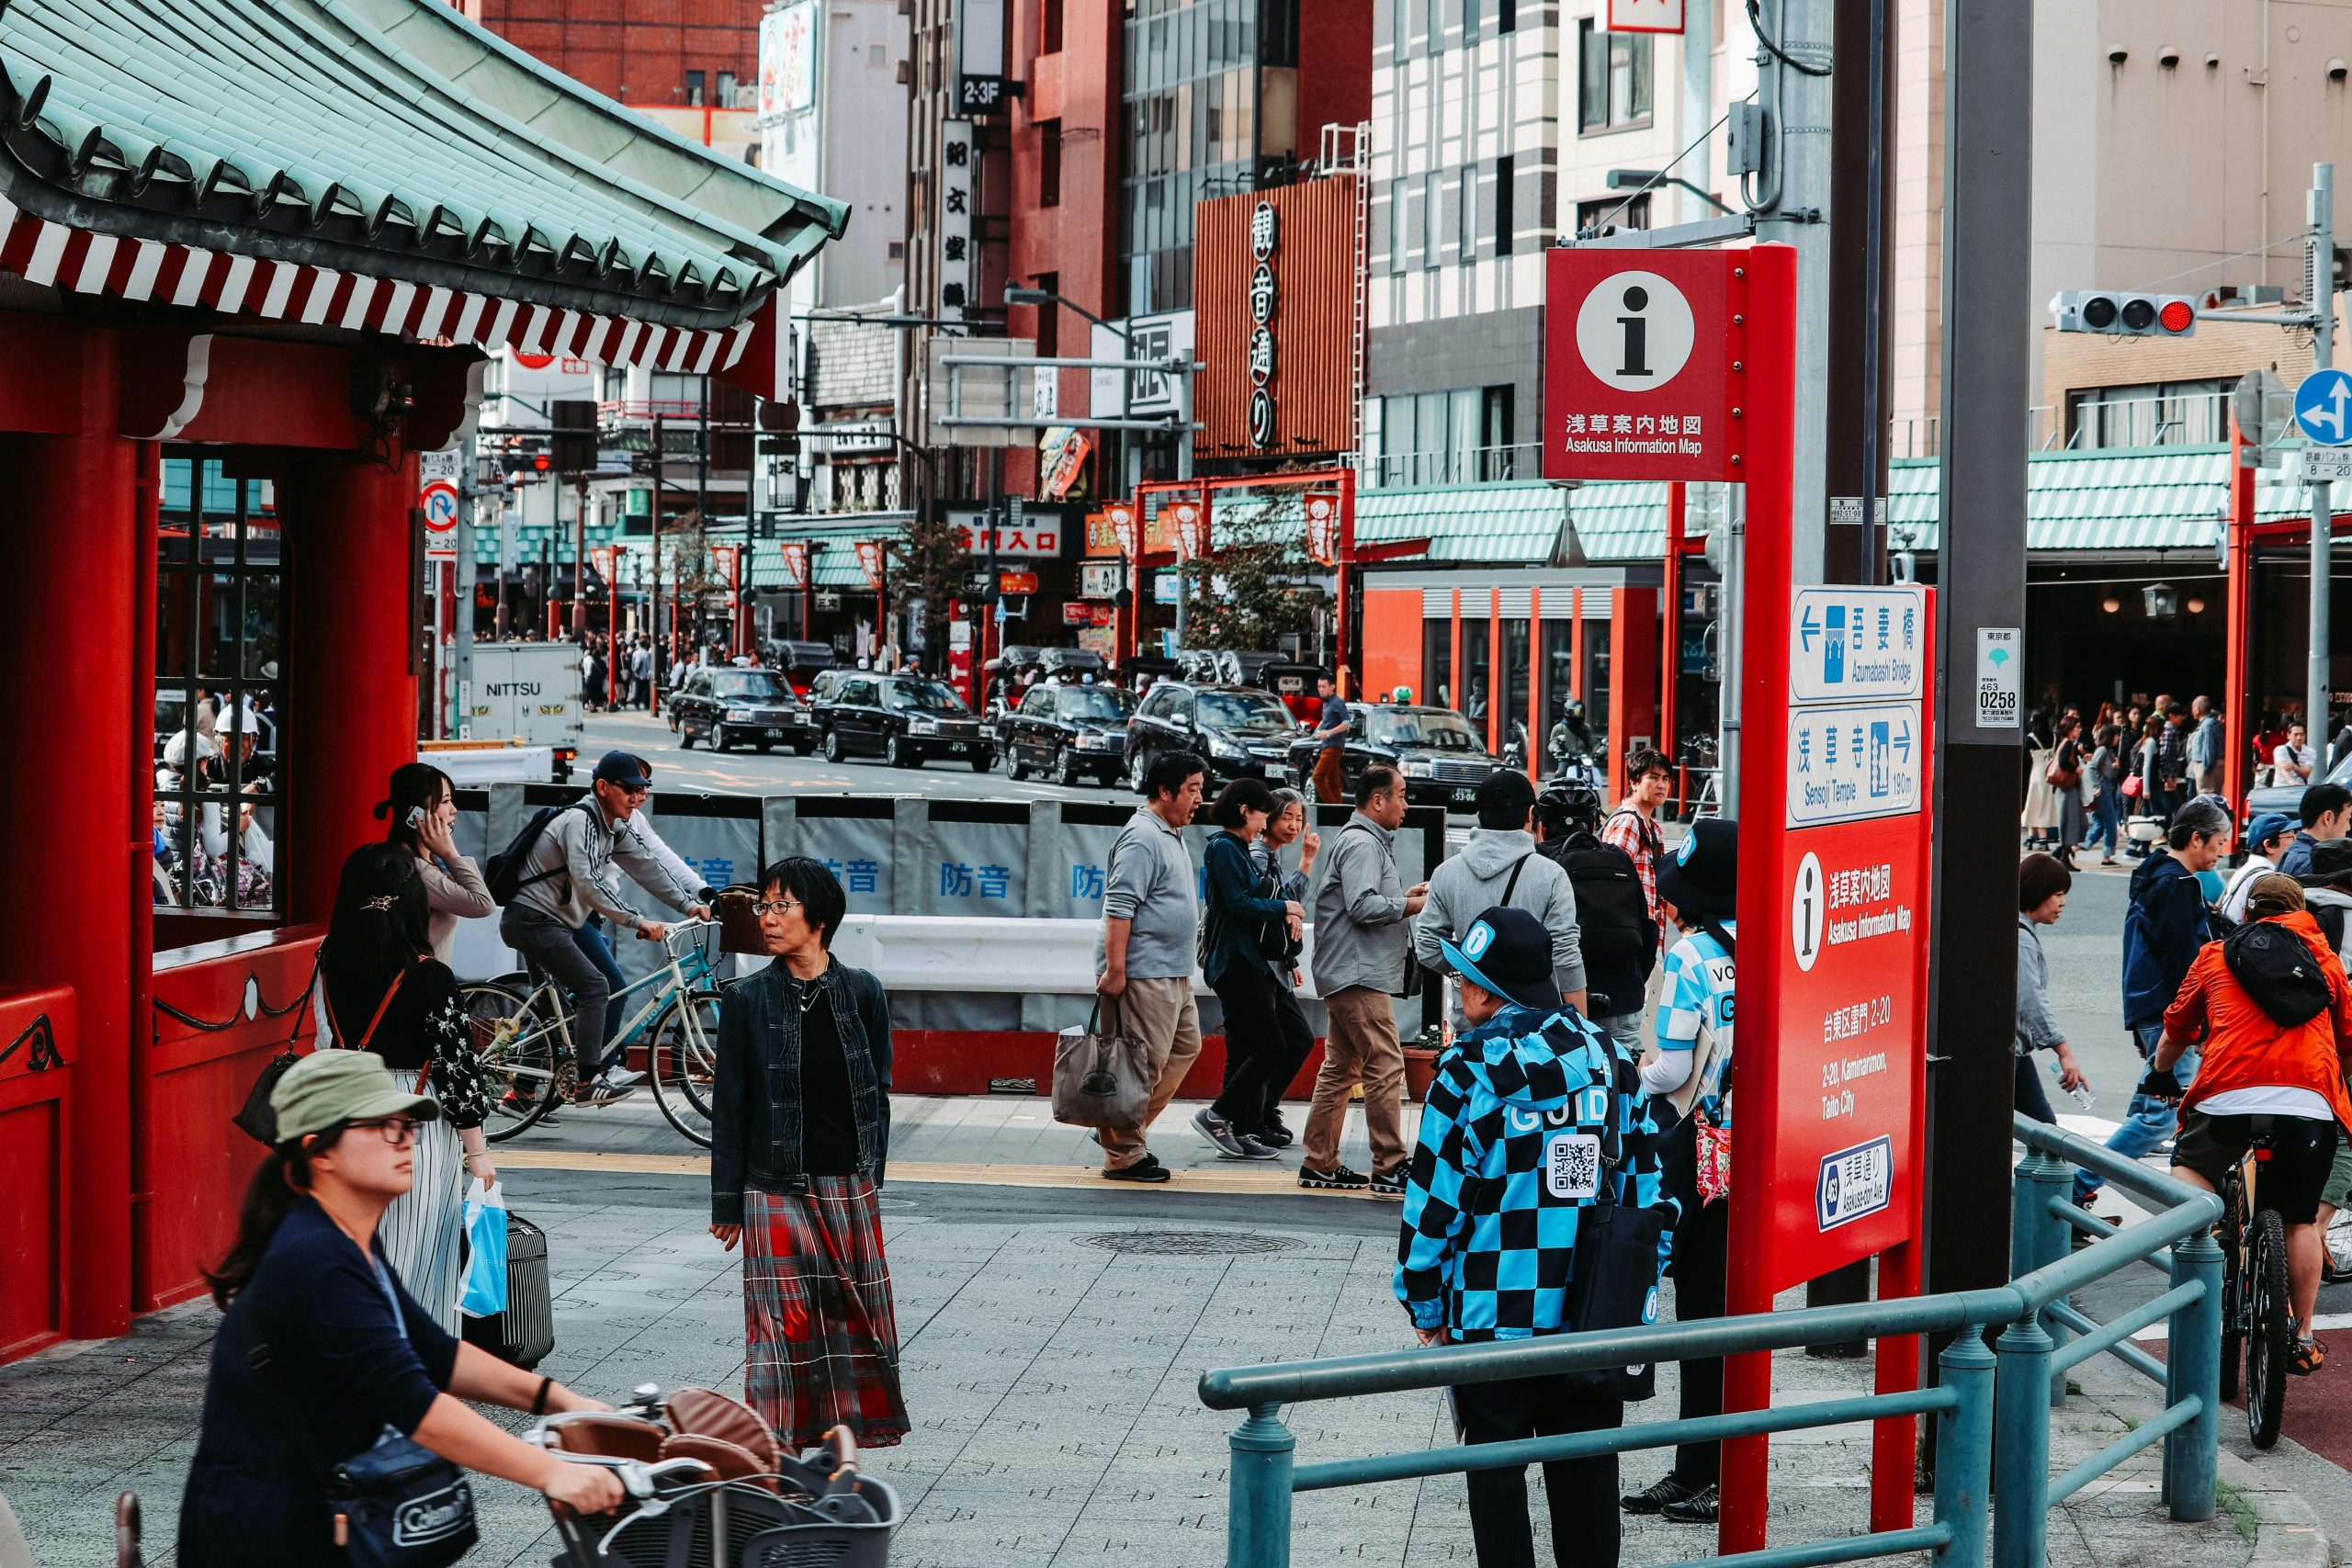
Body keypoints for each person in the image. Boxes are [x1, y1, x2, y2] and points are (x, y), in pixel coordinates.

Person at [176, 1050, 620, 1566]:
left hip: (321, 1517)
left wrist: (565, 1402)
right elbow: (415, 1404)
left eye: (406, 1125)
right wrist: (551, 1472)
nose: (404, 1138)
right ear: (318, 1151)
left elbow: (434, 1353)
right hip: (266, 1535)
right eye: (380, 1126)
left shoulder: (349, 1240)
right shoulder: (316, 1260)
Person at [1396, 906, 1672, 1568]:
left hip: (1494, 1319)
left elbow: (1434, 1205)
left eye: (1465, 981)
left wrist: (1426, 1303)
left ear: (1489, 991)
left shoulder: (1466, 1071)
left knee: (1497, 1485)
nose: (1460, 995)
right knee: (1587, 1488)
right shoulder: (1607, 1058)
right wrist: (1638, 1284)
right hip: (1591, 1319)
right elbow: (1649, 1188)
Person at [709, 857, 910, 1447]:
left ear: (818, 918)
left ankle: (836, 1442)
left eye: (780, 905)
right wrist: (727, 1202)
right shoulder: (746, 999)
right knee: (782, 1326)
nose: (767, 919)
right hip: (773, 1186)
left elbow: (879, 1088)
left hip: (848, 1186)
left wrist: (873, 1175)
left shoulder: (863, 993)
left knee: (852, 1319)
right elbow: (730, 1107)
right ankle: (778, 1445)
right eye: (762, 906)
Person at [2148, 874, 2350, 1373]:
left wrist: (2160, 1069)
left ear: (2247, 913)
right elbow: (2348, 1038)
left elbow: (2177, 1026)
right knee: (2299, 1219)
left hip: (2227, 1095)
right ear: (2300, 911)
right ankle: (2301, 1335)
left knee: (2191, 1168)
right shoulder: (2325, 960)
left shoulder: (2216, 955)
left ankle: (2210, 1236)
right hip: (2309, 1099)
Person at [316, 844, 495, 1332]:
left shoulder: (328, 959)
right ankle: (414, 1364)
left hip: (345, 1108)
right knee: (416, 1251)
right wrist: (476, 1152)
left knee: (355, 1242)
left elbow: (322, 1039)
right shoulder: (429, 975)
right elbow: (457, 1066)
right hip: (414, 1116)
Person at [1621, 819, 1738, 1526]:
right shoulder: (1763, 950)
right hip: (1742, 1152)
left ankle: (1704, 1471)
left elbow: (1666, 1069)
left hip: (1689, 1149)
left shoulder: (1692, 955)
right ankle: (1704, 1467)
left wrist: (1625, 1077)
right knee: (1719, 1313)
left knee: (1695, 1315)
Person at [496, 750, 710, 1107]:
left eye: (642, 789)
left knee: (557, 1012)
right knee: (598, 987)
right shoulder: (579, 821)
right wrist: (638, 921)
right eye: (628, 789)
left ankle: (524, 1093)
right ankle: (588, 1080)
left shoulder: (611, 827)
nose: (636, 798)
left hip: (558, 923)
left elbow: (648, 866)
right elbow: (589, 883)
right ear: (602, 786)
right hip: (533, 920)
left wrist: (690, 904)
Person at [2075, 798, 2233, 1210]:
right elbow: (2186, 964)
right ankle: (2075, 1187)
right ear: (2196, 838)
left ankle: (2078, 1190)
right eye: (2218, 842)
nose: (2221, 851)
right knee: (2157, 1118)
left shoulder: (2155, 876)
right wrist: (2199, 1023)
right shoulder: (2177, 885)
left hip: (2149, 1006)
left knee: (2149, 1110)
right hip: (2169, 1013)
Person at [1301, 764, 1429, 1194]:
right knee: (1386, 1063)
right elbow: (1362, 906)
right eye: (1402, 795)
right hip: (1357, 975)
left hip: (1347, 971)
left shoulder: (1363, 841)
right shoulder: (1362, 844)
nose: (1405, 804)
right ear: (1378, 800)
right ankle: (1390, 1164)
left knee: (1341, 1069)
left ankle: (1319, 1161)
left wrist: (1404, 898)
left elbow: (1368, 901)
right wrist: (1410, 907)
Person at [1094, 750, 1209, 1183]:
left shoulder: (1169, 832)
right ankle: (1122, 1152)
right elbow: (1119, 908)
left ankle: (1123, 1128)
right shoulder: (1142, 836)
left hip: (1173, 972)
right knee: (1140, 1065)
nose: (1200, 799)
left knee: (1183, 1049)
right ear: (1165, 791)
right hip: (1144, 973)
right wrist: (1116, 971)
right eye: (1193, 790)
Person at [1416, 770, 1589, 1033]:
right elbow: (1565, 954)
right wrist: (1581, 1024)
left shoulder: (1446, 873)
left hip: (1471, 1019)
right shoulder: (1551, 875)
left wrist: (1472, 973)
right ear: (1531, 814)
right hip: (1534, 1022)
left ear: (1479, 814)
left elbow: (1427, 946)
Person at [1191, 778, 1306, 1161]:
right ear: (1244, 811)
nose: (1264, 823)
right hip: (1234, 960)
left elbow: (1257, 893)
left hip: (1244, 959)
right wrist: (1284, 908)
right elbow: (1239, 903)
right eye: (1263, 815)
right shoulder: (1224, 847)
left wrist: (1281, 904)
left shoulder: (1237, 848)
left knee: (1242, 1049)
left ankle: (1236, 1129)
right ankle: (1219, 1116)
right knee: (1271, 1045)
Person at [1245, 789, 1321, 1147]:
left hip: (1276, 967)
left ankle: (1264, 1110)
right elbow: (1271, 906)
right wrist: (1287, 909)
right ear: (1269, 819)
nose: (1294, 825)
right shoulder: (1258, 855)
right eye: (1287, 817)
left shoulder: (1271, 856)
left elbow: (1285, 900)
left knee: (1294, 1039)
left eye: (1299, 819)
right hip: (1260, 968)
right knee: (1275, 1043)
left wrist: (1306, 860)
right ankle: (1254, 1115)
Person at [378, 762, 493, 965]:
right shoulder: (416, 870)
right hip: (417, 990)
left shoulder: (411, 861)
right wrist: (450, 852)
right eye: (446, 801)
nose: (454, 810)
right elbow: (483, 904)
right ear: (417, 815)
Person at [2015, 853, 2091, 1125]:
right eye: (2058, 894)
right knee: (2044, 1133)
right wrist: (2064, 1051)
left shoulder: (2020, 932)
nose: (2063, 903)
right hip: (2009, 1053)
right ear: (2038, 892)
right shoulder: (2022, 939)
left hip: (2015, 1053)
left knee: (2041, 1131)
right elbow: (2031, 1000)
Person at [1602, 750, 1672, 954]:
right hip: (1630, 936)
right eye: (1653, 777)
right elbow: (1612, 881)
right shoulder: (1629, 821)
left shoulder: (1651, 827)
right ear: (1633, 782)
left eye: (1666, 779)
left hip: (1644, 934)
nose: (1661, 785)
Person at [2222, 812, 2298, 924]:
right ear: (2269, 845)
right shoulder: (2266, 879)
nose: (2295, 840)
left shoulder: (2249, 869)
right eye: (2290, 836)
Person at [2277, 782, 2352, 878]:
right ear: (2328, 818)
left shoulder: (2294, 853)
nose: (2348, 828)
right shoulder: (2314, 865)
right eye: (2347, 819)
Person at [2084, 723, 2124, 866]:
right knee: (2110, 822)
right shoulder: (2102, 750)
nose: (2118, 738)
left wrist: (2114, 768)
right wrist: (2097, 786)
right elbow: (2091, 767)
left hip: (2105, 785)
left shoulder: (2108, 751)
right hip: (2102, 787)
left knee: (2101, 822)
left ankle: (2082, 844)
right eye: (2116, 735)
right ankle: (2106, 856)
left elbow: (2110, 774)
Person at [2052, 713, 2088, 866]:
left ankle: (2062, 852)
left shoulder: (2068, 743)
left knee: (2075, 821)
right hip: (2067, 789)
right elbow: (2063, 762)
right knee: (2072, 822)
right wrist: (2076, 769)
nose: (2079, 730)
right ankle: (2064, 855)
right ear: (2069, 728)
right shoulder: (2067, 744)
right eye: (2077, 727)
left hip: (2067, 789)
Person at [1309, 672, 1351, 805]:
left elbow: (1347, 723)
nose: (1320, 689)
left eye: (1323, 686)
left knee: (1318, 776)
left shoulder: (1337, 702)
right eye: (1319, 686)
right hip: (1327, 745)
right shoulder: (1326, 703)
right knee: (1333, 781)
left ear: (1332, 687)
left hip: (1334, 745)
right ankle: (1338, 809)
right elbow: (1328, 722)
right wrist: (1319, 732)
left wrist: (1328, 733)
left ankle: (1331, 806)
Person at [2188, 694, 2223, 795]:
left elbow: (2209, 749)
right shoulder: (2208, 723)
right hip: (2206, 767)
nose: (2192, 710)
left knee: (2207, 797)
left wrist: (2205, 770)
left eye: (2193, 707)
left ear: (2198, 709)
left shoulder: (2208, 724)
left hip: (2208, 770)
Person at [2275, 722, 2318, 788]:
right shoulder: (2280, 750)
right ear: (2288, 735)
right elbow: (2283, 769)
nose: (2299, 738)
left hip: (2300, 789)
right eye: (2295, 734)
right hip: (2281, 788)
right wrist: (2292, 782)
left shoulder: (2311, 752)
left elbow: (2306, 773)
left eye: (2302, 734)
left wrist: (2294, 767)